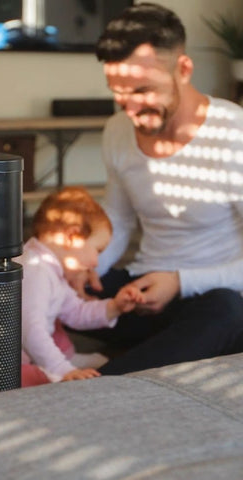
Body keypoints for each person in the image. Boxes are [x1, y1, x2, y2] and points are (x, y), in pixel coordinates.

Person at [75, 2, 243, 375]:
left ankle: (101, 380)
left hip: (211, 293)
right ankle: (155, 354)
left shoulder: (233, 135)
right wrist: (86, 266)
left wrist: (180, 282)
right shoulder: (117, 131)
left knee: (228, 314)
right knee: (53, 286)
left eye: (143, 90)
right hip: (142, 287)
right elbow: (118, 218)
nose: (130, 108)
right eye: (119, 94)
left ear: (183, 69)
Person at [17, 186, 145, 387]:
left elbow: (75, 312)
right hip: (7, 365)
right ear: (72, 237)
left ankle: (63, 361)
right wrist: (63, 370)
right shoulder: (35, 271)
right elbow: (30, 330)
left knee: (58, 328)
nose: (96, 262)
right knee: (40, 380)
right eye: (97, 250)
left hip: (27, 354)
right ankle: (57, 366)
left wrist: (114, 307)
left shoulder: (51, 269)